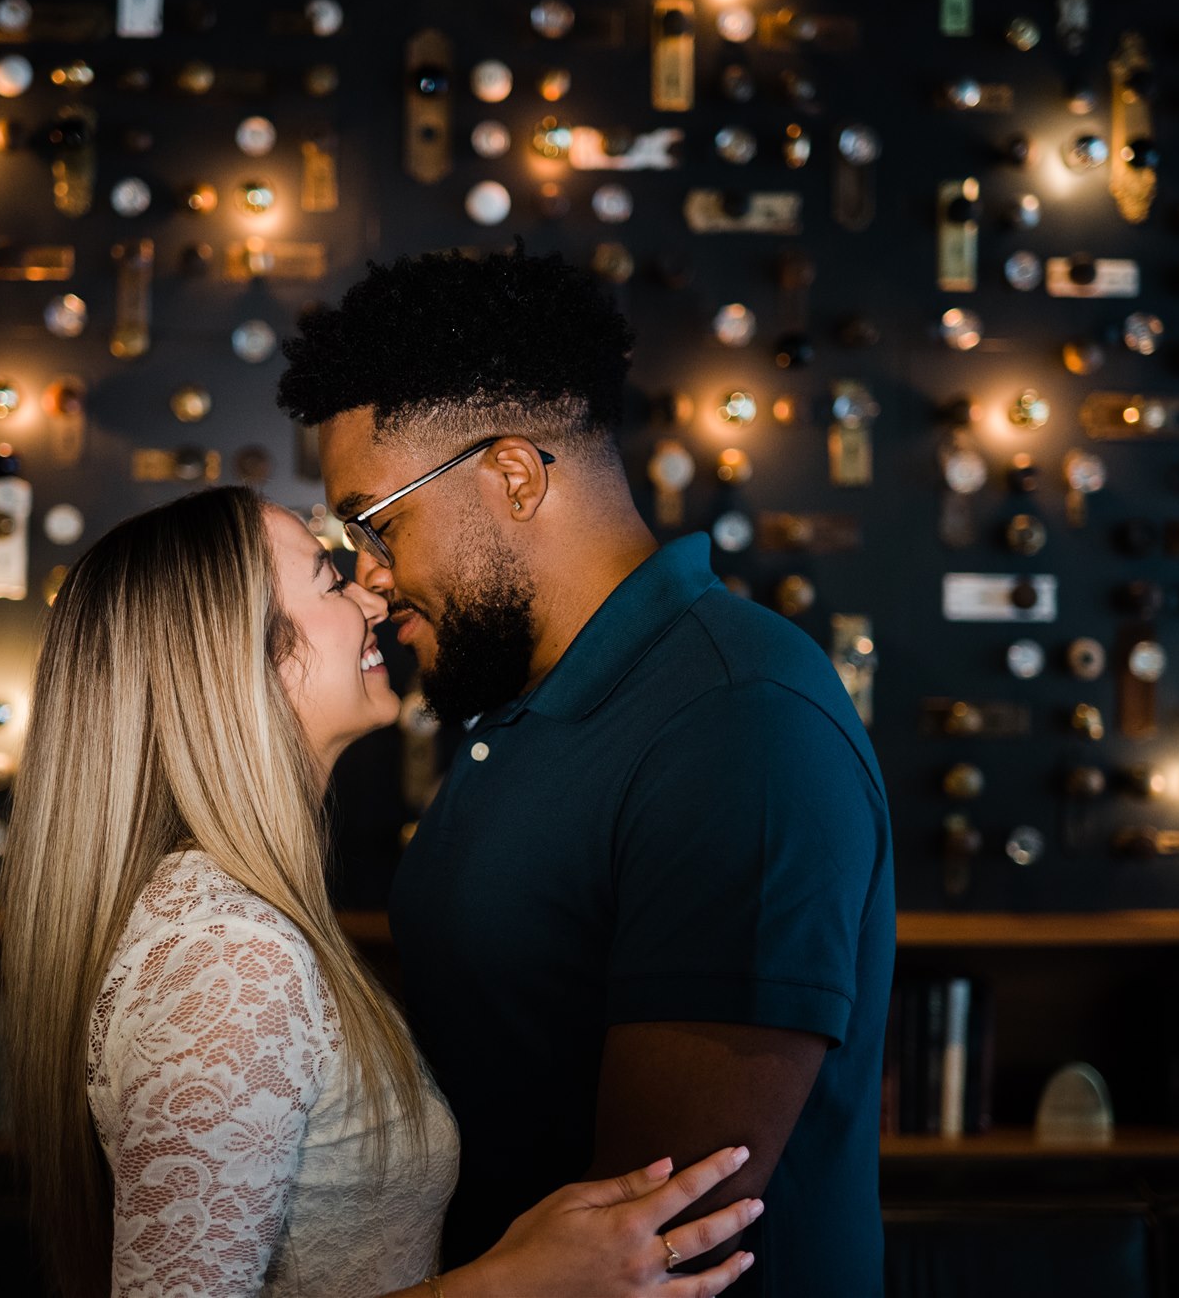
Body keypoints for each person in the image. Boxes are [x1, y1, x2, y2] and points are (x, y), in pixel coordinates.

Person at [277, 247, 897, 1297]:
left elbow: (653, 1235)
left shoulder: (735, 722)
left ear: (511, 475)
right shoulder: (515, 701)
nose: (370, 579)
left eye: (375, 523)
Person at [0, 486, 763, 1298]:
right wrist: (512, 1285)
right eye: (329, 579)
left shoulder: (234, 923)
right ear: (242, 658)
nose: (370, 591)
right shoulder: (229, 959)